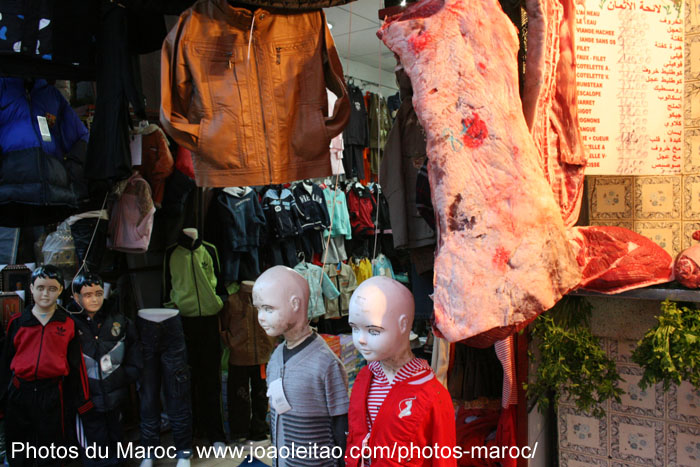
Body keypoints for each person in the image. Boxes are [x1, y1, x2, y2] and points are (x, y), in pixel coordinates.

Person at [345, 276, 456, 467]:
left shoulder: (431, 395)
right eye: (354, 329)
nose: (360, 340)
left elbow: (443, 459)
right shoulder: (364, 379)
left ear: (403, 325)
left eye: (373, 331)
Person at [253, 266, 349, 467]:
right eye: (258, 309)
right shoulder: (276, 356)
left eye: (268, 309)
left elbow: (341, 425)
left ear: (295, 304)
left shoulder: (325, 363)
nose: (261, 317)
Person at [0, 265, 93, 467]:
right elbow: (5, 363)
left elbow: (76, 366)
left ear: (60, 290)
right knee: (19, 448)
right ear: (31, 289)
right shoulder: (18, 322)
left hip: (52, 393)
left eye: (52, 288)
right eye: (40, 287)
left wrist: (82, 401)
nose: (45, 293)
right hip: (20, 393)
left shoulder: (67, 323)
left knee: (51, 450)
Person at [70, 272, 142, 466]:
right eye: (87, 294)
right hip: (86, 400)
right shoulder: (68, 324)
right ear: (76, 297)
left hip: (115, 395)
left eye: (98, 293)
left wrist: (128, 374)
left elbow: (134, 347)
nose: (94, 299)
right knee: (94, 449)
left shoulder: (118, 320)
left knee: (118, 440)